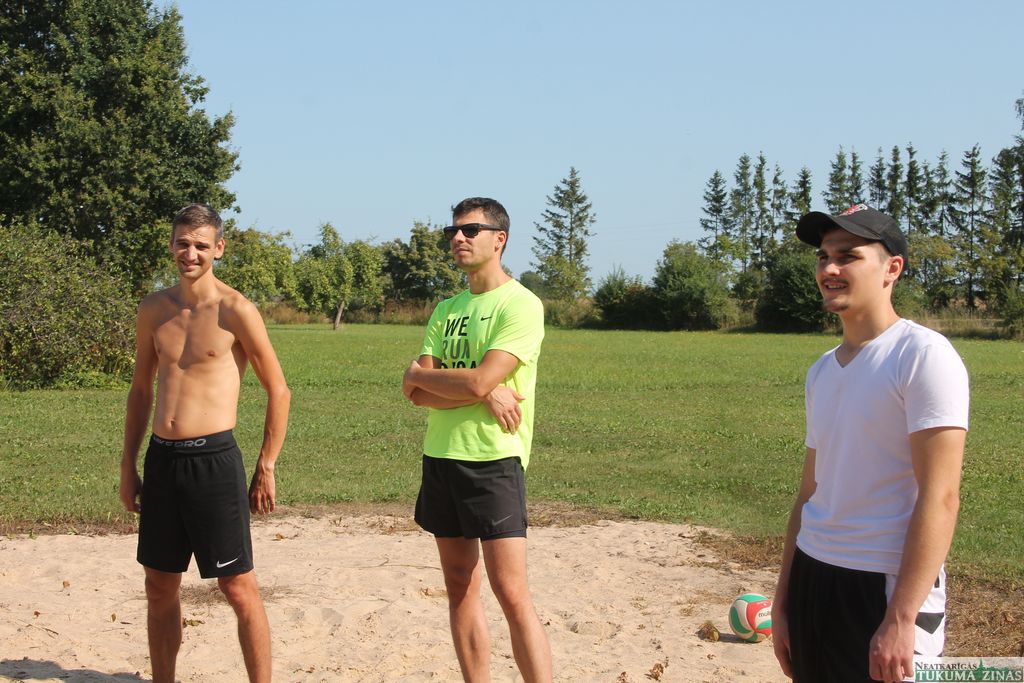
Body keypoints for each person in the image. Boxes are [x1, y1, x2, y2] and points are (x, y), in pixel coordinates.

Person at [772, 204, 969, 683]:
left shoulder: (922, 355)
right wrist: (784, 598)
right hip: (815, 574)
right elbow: (809, 492)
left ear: (891, 268)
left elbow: (941, 496)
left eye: (848, 256)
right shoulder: (822, 370)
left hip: (884, 584)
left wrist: (901, 618)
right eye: (823, 257)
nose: (829, 269)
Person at [119, 203, 290, 683]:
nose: (190, 253)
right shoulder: (154, 309)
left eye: (200, 245)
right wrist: (128, 464)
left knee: (237, 587)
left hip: (213, 462)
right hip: (163, 461)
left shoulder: (236, 310)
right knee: (159, 585)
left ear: (219, 248)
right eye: (182, 243)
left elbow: (279, 390)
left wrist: (267, 465)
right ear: (171, 245)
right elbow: (140, 390)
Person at [402, 197, 552, 682]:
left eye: (471, 230)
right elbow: (416, 392)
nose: (459, 238)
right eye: (454, 230)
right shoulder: (447, 308)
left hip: (493, 460)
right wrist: (479, 391)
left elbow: (465, 379)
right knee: (459, 584)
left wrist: (466, 384)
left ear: (499, 239)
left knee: (511, 592)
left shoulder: (520, 304)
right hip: (440, 456)